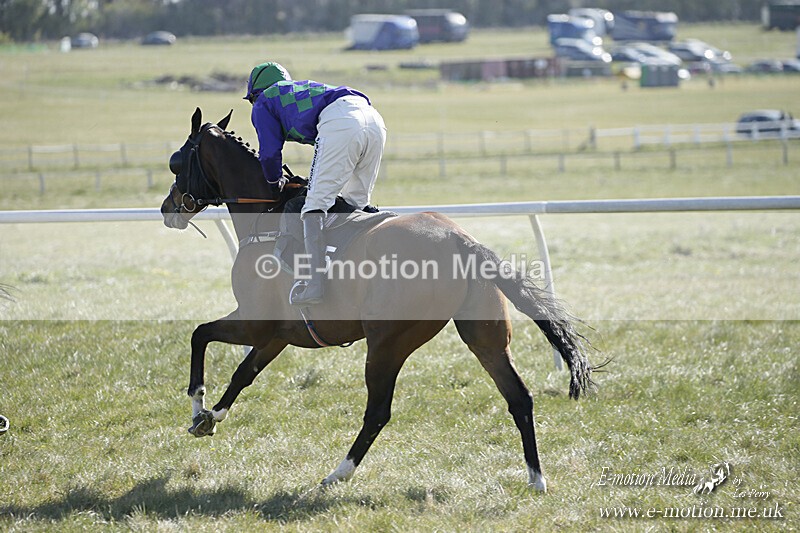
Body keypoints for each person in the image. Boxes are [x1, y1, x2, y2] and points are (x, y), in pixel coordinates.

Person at [245, 62, 387, 306]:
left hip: (341, 121)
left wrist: (273, 181)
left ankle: (314, 284)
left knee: (314, 205)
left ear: (254, 93)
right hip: (374, 119)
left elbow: (268, 154)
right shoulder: (295, 94)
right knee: (355, 203)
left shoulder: (263, 102)